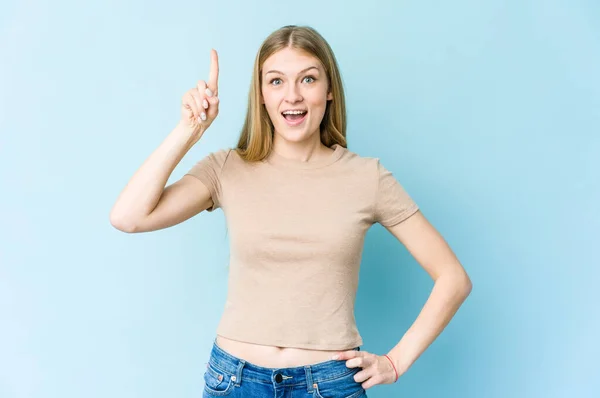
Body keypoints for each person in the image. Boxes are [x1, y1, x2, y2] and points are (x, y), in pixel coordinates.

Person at [110, 25, 472, 398]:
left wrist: (396, 362)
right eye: (277, 81)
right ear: (262, 95)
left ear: (329, 90)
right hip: (233, 382)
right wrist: (189, 129)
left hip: (329, 383)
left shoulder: (368, 177)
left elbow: (453, 278)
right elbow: (129, 216)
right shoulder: (226, 169)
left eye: (308, 79)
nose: (293, 96)